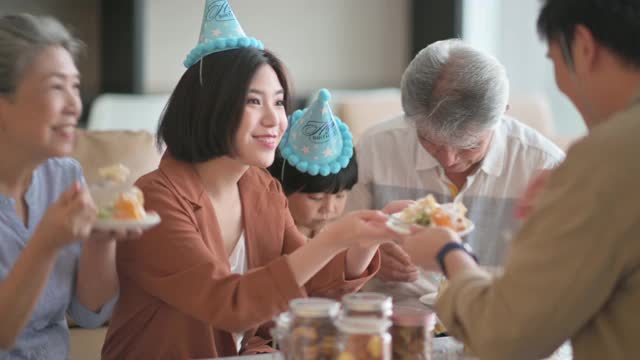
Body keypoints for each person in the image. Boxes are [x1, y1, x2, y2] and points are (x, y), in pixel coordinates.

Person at [101, 2, 394, 358]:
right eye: (254, 102)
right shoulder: (154, 199)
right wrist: (333, 238)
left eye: (280, 102)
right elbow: (228, 303)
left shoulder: (262, 188)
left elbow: (311, 289)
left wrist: (365, 241)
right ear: (210, 107)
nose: (275, 120)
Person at [398, 0, 640, 358]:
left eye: (554, 60)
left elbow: (507, 334)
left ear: (583, 46)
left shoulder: (607, 158)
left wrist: (448, 252)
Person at [347, 38, 565, 305]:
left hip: (499, 321)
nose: (449, 159)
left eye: (468, 145)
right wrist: (371, 255)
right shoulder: (375, 149)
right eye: (428, 141)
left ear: (502, 114)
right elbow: (334, 245)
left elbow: (562, 277)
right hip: (397, 322)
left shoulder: (544, 166)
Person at [0, 14, 136, 359]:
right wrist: (46, 243)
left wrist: (101, 240)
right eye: (56, 87)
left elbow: (90, 312)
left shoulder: (64, 177)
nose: (75, 105)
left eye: (75, 86)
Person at [268, 89, 359, 238]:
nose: (329, 209)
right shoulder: (271, 238)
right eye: (316, 198)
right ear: (281, 187)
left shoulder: (338, 235)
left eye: (340, 196)